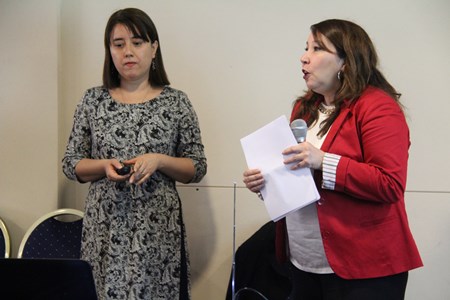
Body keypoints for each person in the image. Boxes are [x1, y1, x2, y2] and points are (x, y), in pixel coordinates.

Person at [243, 19, 422, 300]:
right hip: (303, 261)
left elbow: (389, 184)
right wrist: (266, 183)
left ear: (345, 62)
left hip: (365, 267)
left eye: (317, 49)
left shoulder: (378, 107)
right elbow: (301, 178)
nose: (304, 56)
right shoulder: (304, 107)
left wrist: (322, 160)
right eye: (305, 48)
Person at [62, 8, 207, 300]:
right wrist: (103, 166)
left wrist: (159, 160)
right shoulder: (93, 100)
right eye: (119, 44)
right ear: (110, 51)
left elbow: (197, 166)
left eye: (138, 42)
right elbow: (71, 164)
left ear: (154, 49)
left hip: (158, 233)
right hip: (105, 229)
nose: (128, 51)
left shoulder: (176, 102)